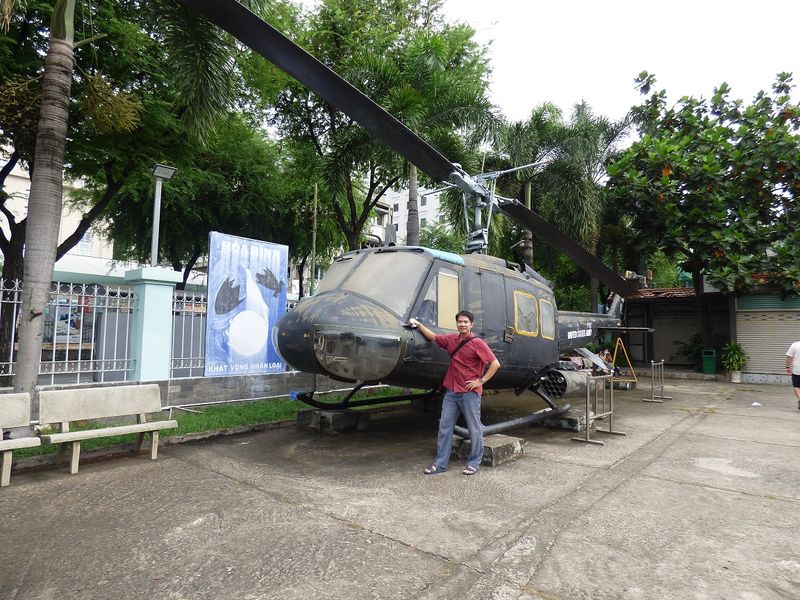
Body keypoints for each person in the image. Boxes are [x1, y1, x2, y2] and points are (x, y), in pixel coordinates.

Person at [408, 310, 500, 476]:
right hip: (452, 391)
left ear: (471, 325)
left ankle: (474, 463)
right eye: (460, 322)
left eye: (466, 322)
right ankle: (441, 463)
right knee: (445, 427)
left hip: (470, 393)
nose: (462, 324)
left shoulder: (478, 343)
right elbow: (433, 337)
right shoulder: (451, 339)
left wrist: (481, 381)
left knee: (474, 428)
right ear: (457, 324)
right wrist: (419, 325)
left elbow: (495, 363)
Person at [786, 341, 800, 409]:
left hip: (797, 370)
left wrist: (787, 367)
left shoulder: (795, 345)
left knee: (797, 387)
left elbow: (789, 357)